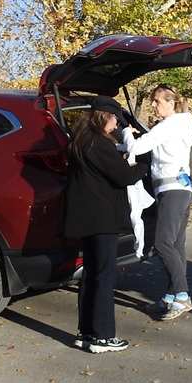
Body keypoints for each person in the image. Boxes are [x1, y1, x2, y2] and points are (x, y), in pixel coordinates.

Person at [64, 97, 150, 352]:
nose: (116, 126)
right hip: (102, 218)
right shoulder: (98, 143)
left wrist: (118, 158)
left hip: (86, 217)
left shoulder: (80, 140)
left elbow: (101, 169)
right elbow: (123, 176)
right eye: (115, 120)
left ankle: (86, 332)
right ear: (105, 117)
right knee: (104, 275)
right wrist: (143, 166)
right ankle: (102, 336)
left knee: (90, 274)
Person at [126, 84, 192, 319]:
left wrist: (125, 133)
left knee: (163, 244)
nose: (153, 106)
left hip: (171, 190)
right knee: (176, 245)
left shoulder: (169, 125)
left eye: (157, 101)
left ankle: (183, 296)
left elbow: (137, 147)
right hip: (183, 189)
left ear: (171, 103)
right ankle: (171, 295)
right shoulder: (181, 124)